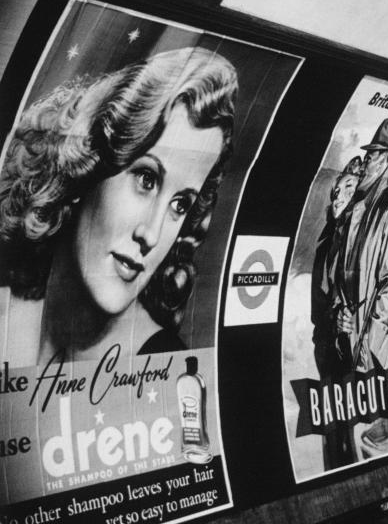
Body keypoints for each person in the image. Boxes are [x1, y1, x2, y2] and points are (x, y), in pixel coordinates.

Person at [0, 48, 237, 366]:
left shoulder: (166, 365)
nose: (151, 235)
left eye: (180, 204)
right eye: (146, 179)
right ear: (88, 167)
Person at [336, 118, 388, 458]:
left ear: (387, 160)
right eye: (369, 154)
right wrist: (340, 310)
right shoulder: (358, 204)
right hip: (351, 326)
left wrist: (371, 334)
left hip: (375, 333)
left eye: (374, 156)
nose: (368, 161)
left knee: (383, 423)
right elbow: (344, 267)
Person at [310, 156, 363, 469]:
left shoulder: (360, 244)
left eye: (348, 189)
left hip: (349, 345)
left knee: (349, 423)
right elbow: (317, 305)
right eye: (337, 189)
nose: (338, 196)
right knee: (332, 425)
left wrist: (352, 321)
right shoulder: (325, 244)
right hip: (326, 344)